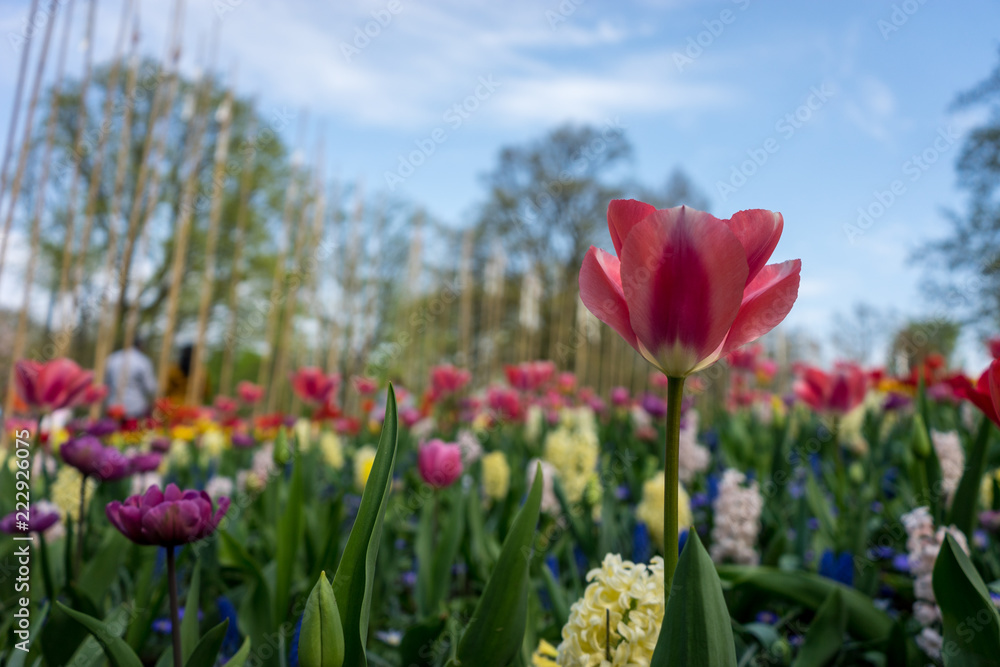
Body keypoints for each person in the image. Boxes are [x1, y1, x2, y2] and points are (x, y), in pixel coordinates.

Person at [104, 338, 157, 418]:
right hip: (135, 409)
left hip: (113, 407)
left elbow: (105, 383)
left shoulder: (112, 358)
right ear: (140, 345)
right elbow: (150, 387)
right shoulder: (143, 361)